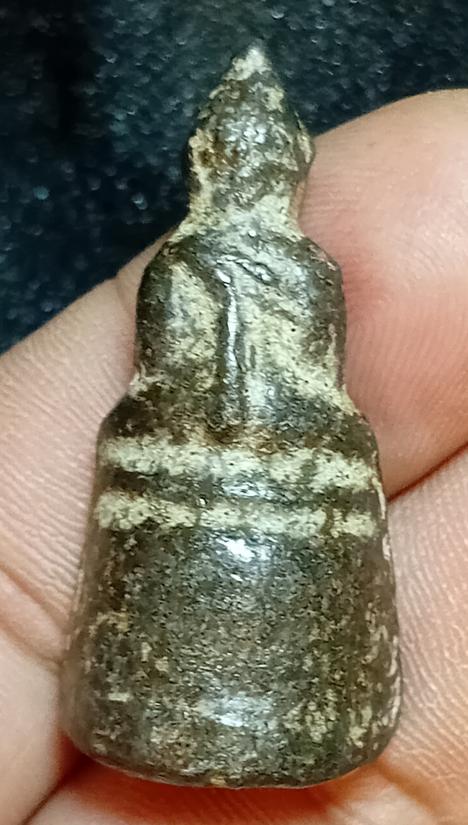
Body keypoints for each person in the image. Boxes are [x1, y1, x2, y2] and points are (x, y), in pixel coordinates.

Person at [0, 90, 466, 824]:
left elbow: (314, 373)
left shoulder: (305, 267)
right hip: (198, 436)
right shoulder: (184, 261)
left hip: (279, 438)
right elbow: (164, 366)